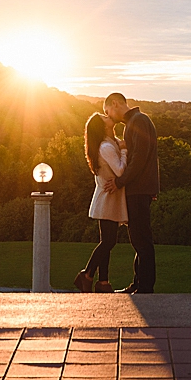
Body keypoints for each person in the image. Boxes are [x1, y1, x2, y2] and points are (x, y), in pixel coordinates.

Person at [104, 92, 159, 293]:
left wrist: (119, 182)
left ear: (116, 103)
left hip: (138, 189)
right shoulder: (135, 122)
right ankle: (139, 284)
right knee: (138, 239)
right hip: (139, 189)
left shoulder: (138, 121)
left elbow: (140, 159)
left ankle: (145, 288)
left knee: (142, 240)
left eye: (108, 111)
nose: (110, 117)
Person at [76, 112, 126, 293]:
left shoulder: (110, 143)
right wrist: (125, 149)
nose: (108, 116)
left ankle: (103, 282)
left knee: (107, 241)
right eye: (104, 117)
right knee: (108, 242)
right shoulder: (105, 147)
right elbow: (120, 171)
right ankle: (87, 274)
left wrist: (120, 145)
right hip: (107, 199)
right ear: (103, 126)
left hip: (109, 199)